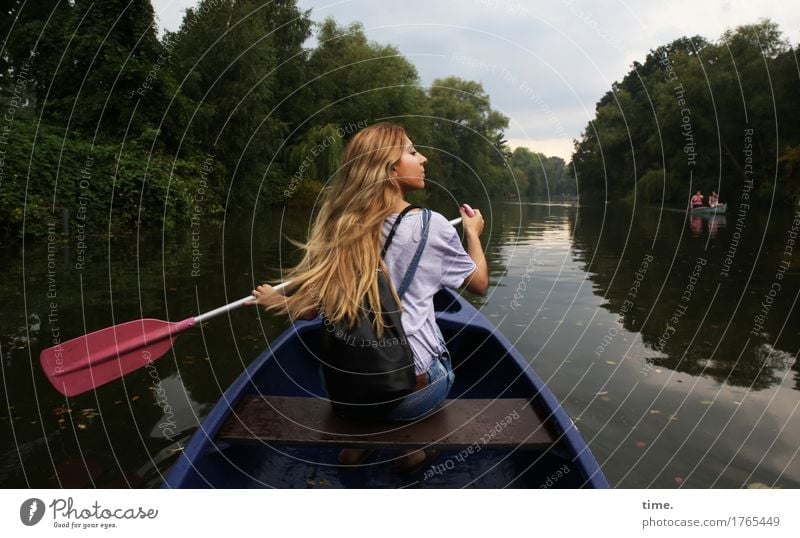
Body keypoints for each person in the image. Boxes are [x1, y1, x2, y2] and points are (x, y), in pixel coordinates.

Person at [249, 122, 488, 471]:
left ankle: (357, 446)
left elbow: (308, 310)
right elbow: (479, 283)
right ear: (390, 168)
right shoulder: (431, 224)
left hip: (343, 391)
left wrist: (276, 298)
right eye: (411, 151)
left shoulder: (341, 226)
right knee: (433, 367)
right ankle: (410, 454)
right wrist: (473, 234)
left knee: (357, 373)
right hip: (411, 394)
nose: (423, 159)